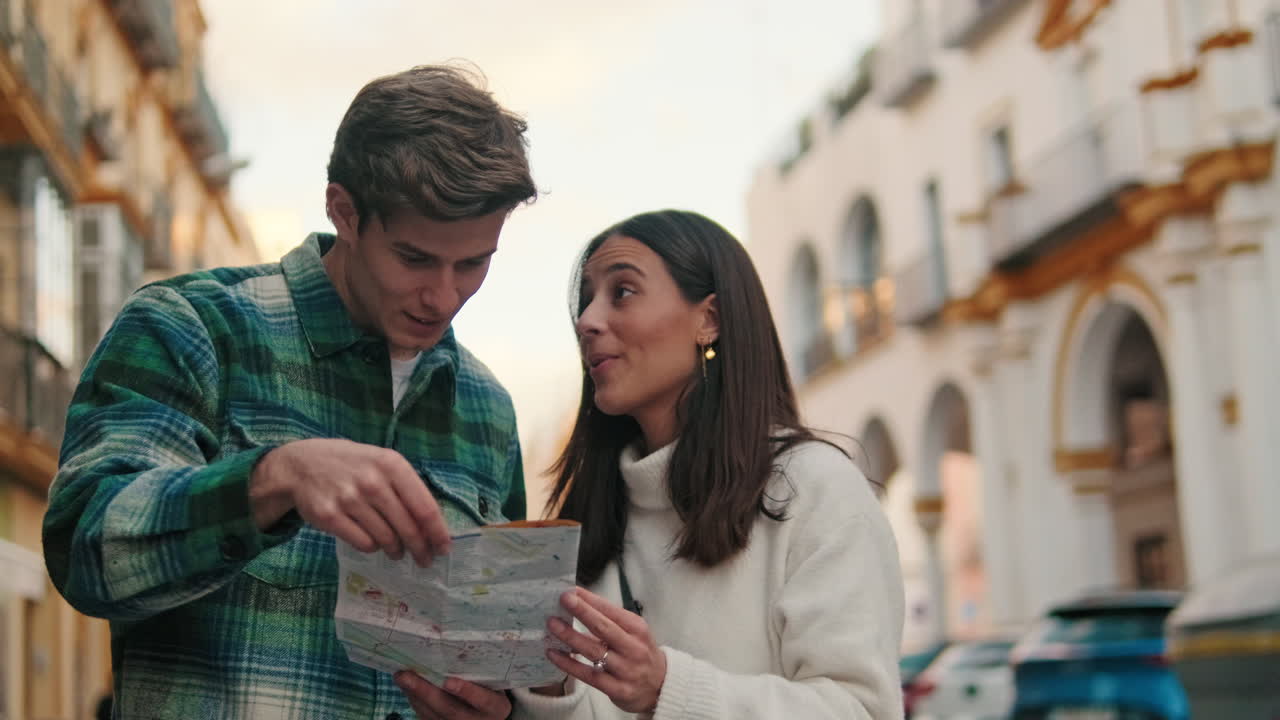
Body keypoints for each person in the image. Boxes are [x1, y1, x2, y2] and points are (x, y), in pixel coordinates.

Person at [43, 64, 536, 719]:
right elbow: (85, 549)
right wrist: (272, 481)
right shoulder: (191, 328)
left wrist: (501, 708)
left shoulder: (488, 410)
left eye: (473, 263)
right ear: (345, 212)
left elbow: (496, 660)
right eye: (415, 258)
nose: (444, 296)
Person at [502, 210, 905, 719]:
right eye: (586, 300)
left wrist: (668, 689)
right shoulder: (587, 518)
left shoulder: (817, 489)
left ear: (708, 319)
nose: (587, 321)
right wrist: (546, 694)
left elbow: (862, 710)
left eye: (622, 291)